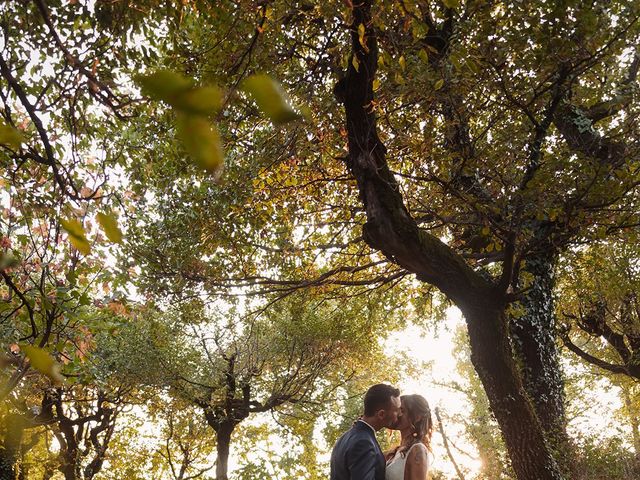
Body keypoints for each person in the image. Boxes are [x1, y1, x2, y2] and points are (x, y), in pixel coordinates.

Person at [330, 384, 402, 480]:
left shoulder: (344, 438)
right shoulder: (364, 442)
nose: (400, 414)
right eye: (396, 410)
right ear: (381, 414)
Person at [385, 394, 433, 480]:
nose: (397, 414)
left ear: (417, 417)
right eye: (397, 410)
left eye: (402, 411)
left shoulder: (417, 449)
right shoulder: (396, 451)